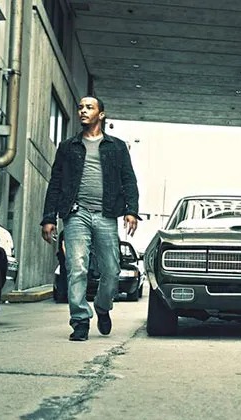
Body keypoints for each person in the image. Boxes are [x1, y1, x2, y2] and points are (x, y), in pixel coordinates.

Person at [41, 95, 140, 342]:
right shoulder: (68, 147)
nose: (83, 111)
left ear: (101, 114)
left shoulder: (116, 147)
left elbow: (129, 180)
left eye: (89, 107)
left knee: (112, 270)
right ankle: (80, 320)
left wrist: (131, 210)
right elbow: (55, 183)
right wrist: (49, 217)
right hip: (76, 213)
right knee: (77, 268)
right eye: (80, 107)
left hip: (106, 214)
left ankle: (103, 307)